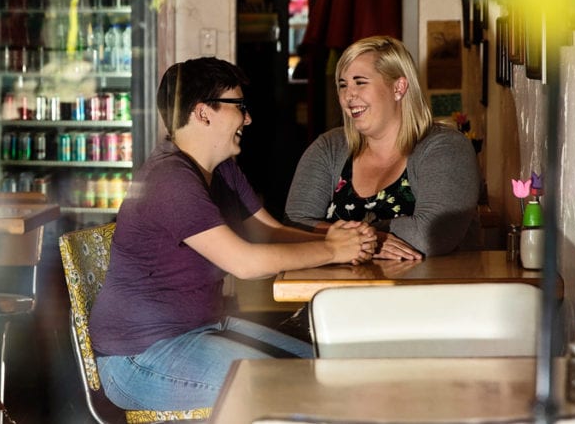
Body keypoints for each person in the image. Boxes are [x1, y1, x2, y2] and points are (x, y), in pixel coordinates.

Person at [89, 57, 376, 412]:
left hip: (197, 329)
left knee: (329, 372)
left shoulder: (222, 169)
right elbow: (245, 262)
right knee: (295, 390)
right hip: (140, 356)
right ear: (203, 112)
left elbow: (269, 233)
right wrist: (333, 251)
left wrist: (340, 239)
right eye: (239, 107)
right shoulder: (170, 180)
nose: (248, 118)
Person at [284, 35, 481, 259]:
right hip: (337, 293)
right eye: (342, 85)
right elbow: (294, 227)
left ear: (398, 87)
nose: (348, 95)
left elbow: (433, 234)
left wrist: (349, 240)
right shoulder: (329, 147)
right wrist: (371, 241)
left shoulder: (446, 148)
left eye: (360, 82)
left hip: (428, 292)